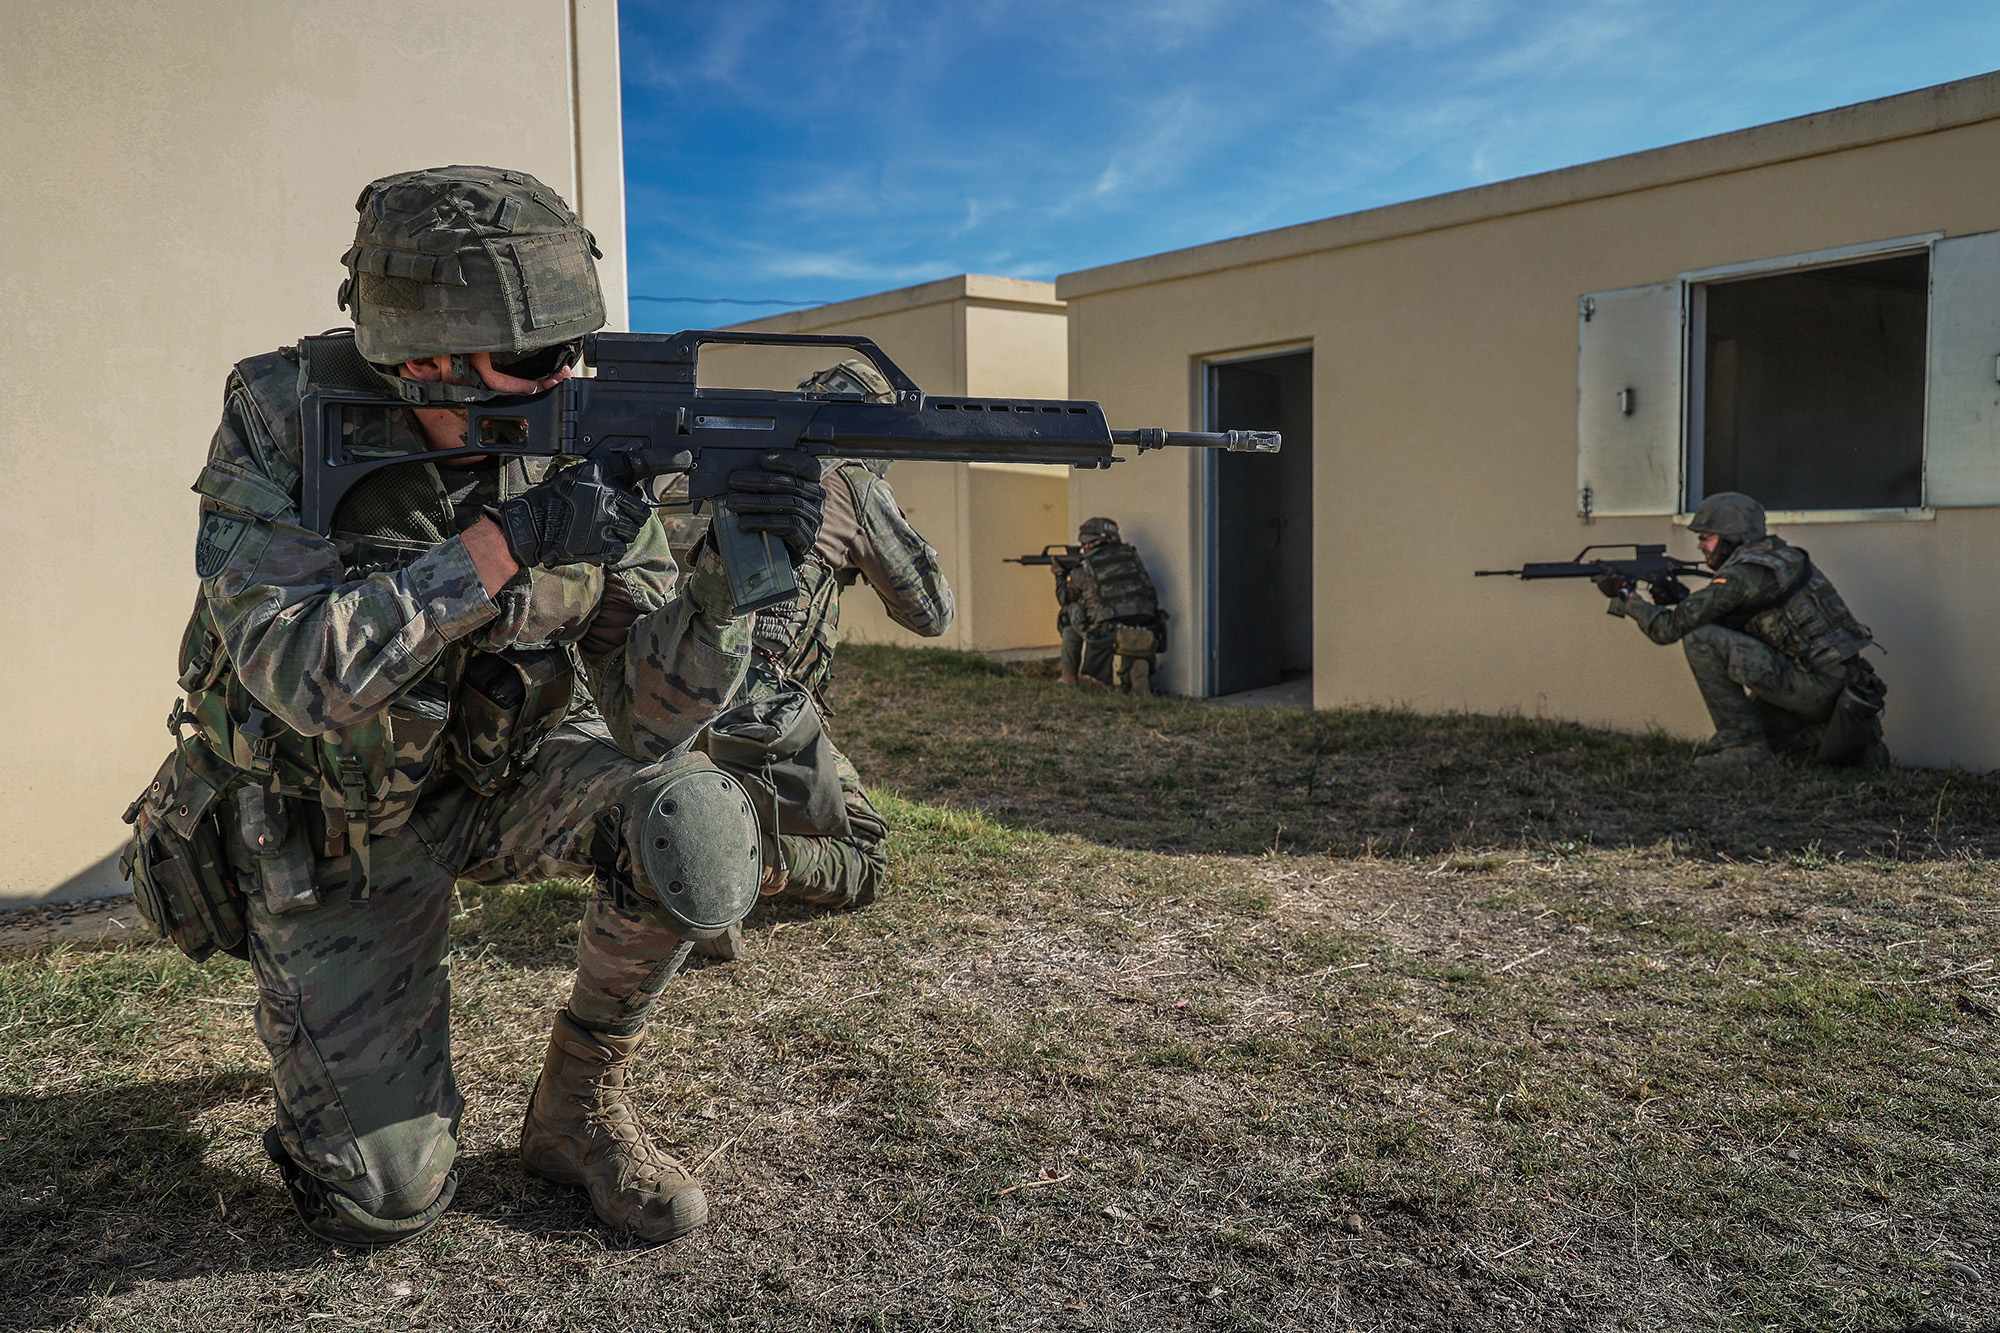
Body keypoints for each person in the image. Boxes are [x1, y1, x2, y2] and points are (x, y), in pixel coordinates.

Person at [153, 166, 826, 1246]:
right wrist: (507, 543)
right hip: (337, 826)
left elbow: (649, 723)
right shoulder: (282, 417)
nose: (566, 377)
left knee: (692, 817)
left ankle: (575, 1111)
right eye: (531, 360)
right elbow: (297, 672)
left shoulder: (581, 438)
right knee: (387, 1199)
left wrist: (731, 577)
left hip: (498, 777)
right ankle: (335, 1076)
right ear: (419, 355)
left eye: (576, 350)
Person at [661, 359, 954, 958]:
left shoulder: (698, 459)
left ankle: (690, 841)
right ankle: (749, 861)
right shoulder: (847, 480)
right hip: (748, 702)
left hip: (648, 690)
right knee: (865, 858)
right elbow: (930, 613)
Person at [1599, 491, 1887, 770]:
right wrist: (1676, 596)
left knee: (1701, 639)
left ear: (1731, 538)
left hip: (1817, 688)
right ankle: (1824, 736)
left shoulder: (1742, 574)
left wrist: (1627, 596)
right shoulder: (1780, 556)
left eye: (1706, 537)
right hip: (1836, 683)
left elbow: (1667, 630)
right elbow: (1734, 618)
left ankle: (1744, 748)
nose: (1700, 546)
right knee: (1765, 737)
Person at [1057, 517, 1165, 693]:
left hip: (1107, 630)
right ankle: (1136, 669)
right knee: (1127, 628)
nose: (1085, 548)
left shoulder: (1086, 566)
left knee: (1069, 613)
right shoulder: (1132, 556)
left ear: (1093, 542)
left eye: (1087, 543)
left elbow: (1066, 597)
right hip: (1147, 626)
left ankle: (1072, 678)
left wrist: (1060, 575)